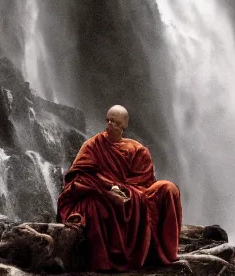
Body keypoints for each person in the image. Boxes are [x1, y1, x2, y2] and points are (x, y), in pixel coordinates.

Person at [56, 105, 182, 271]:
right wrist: (110, 186)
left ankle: (165, 252)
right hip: (104, 190)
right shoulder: (93, 145)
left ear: (124, 125)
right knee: (98, 202)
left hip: (136, 192)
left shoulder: (137, 149)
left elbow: (145, 181)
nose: (109, 125)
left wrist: (125, 190)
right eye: (107, 120)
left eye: (114, 122)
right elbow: (80, 175)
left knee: (169, 188)